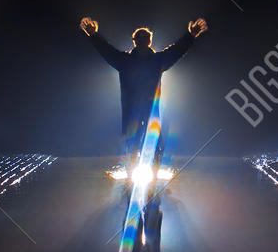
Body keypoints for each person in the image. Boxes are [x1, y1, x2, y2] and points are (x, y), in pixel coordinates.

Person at [80, 16, 207, 164]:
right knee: (136, 144)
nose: (142, 41)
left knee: (147, 143)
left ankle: (147, 169)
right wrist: (93, 35)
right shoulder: (134, 61)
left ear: (148, 41)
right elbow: (106, 50)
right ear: (138, 41)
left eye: (144, 38)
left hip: (144, 112)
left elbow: (177, 50)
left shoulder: (143, 61)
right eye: (140, 38)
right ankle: (137, 170)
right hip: (136, 112)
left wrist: (191, 36)